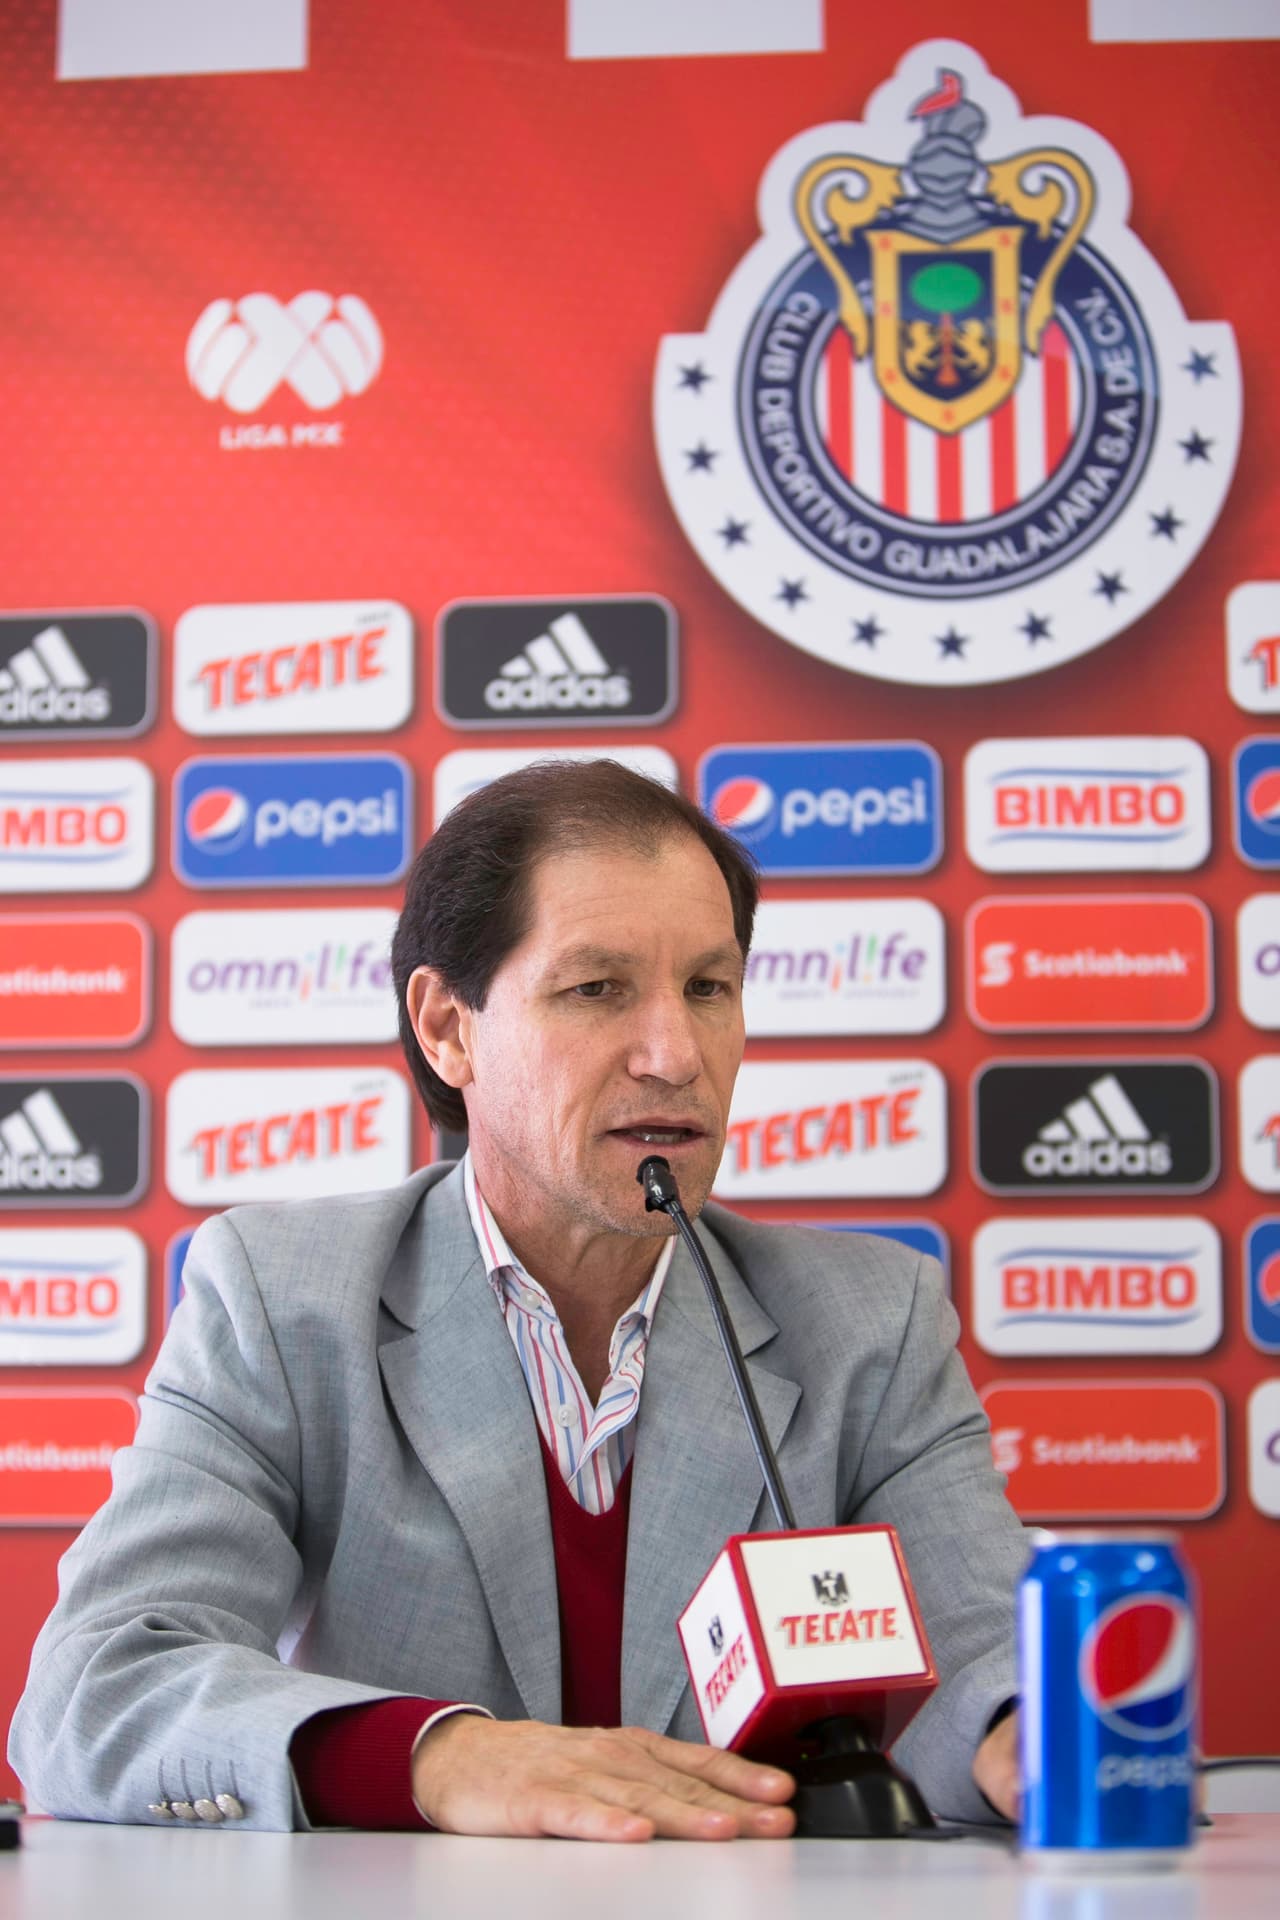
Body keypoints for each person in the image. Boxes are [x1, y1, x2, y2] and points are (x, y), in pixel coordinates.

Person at [10, 759, 1025, 1840]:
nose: (674, 1056)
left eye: (707, 988)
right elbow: (97, 1689)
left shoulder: (870, 1321)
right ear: (449, 1028)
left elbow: (989, 1659)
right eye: (597, 989)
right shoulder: (284, 1300)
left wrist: (1028, 1735)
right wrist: (442, 1757)